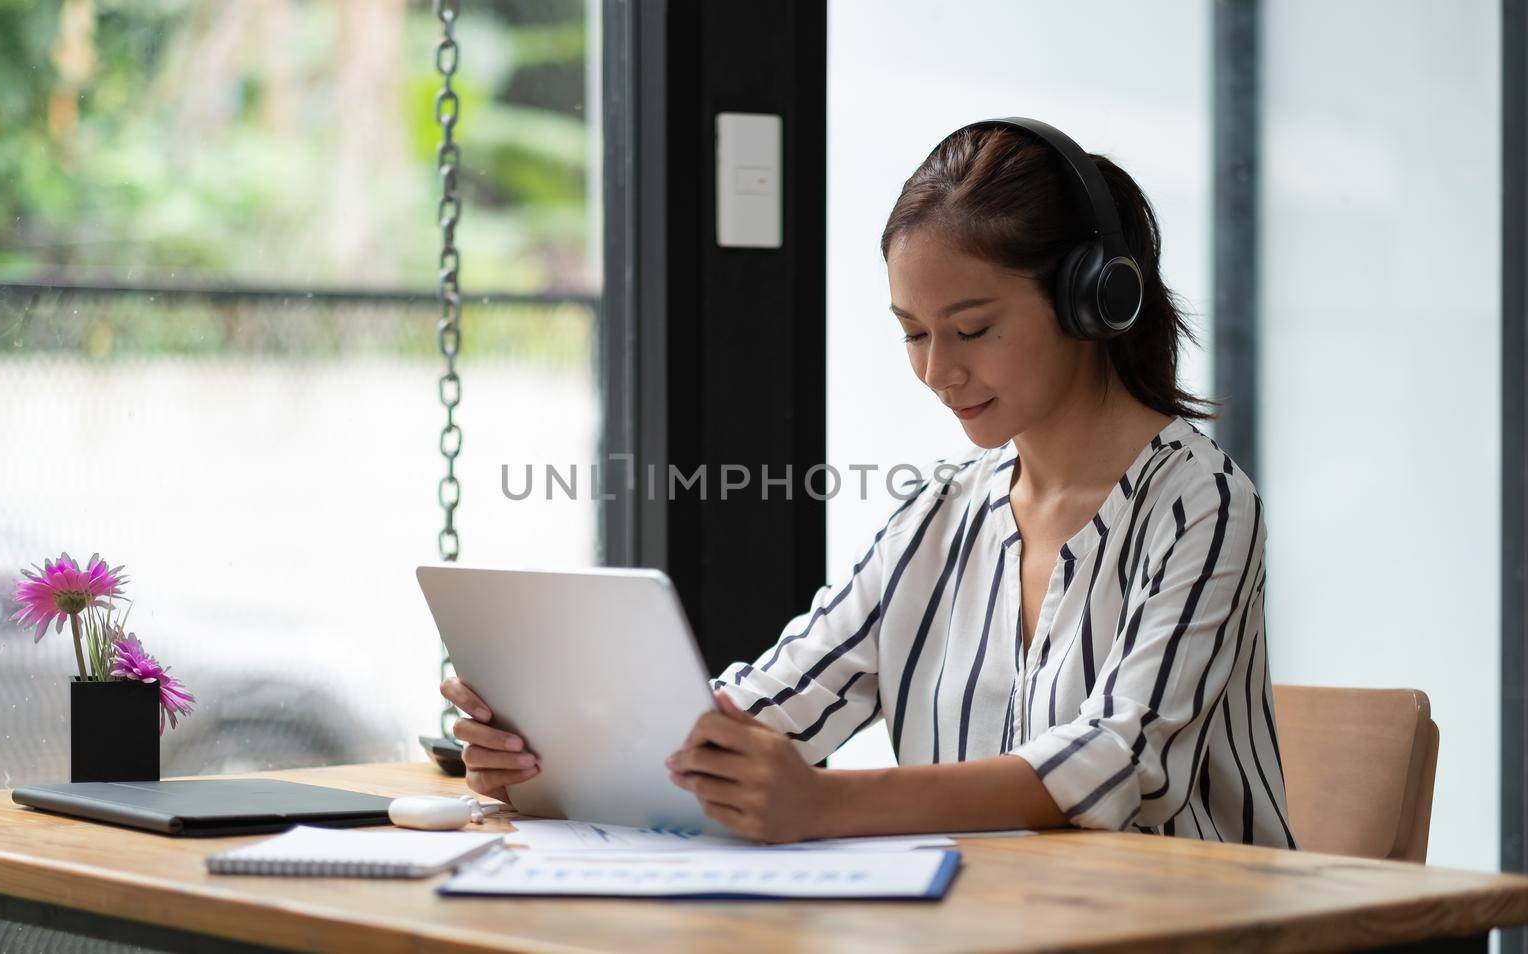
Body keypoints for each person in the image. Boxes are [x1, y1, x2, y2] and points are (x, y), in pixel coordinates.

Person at [441, 119, 1295, 849]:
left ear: (1092, 303)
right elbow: (777, 702)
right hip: (982, 927)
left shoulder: (1203, 505)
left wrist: (826, 805)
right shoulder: (938, 514)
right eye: (913, 334)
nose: (937, 371)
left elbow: (1118, 760)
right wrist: (550, 754)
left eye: (972, 329)